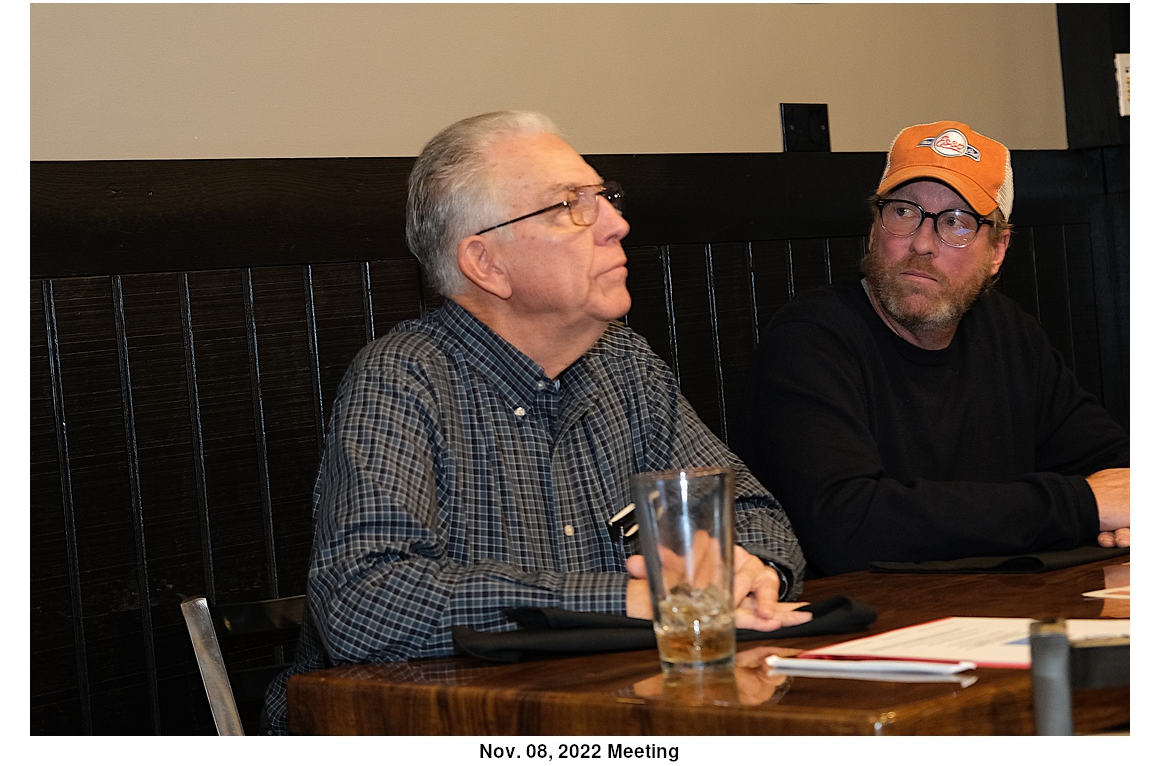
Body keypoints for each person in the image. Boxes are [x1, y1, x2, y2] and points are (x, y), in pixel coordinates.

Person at [263, 111, 808, 733]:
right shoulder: (404, 377)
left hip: (612, 712)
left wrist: (747, 572)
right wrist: (631, 600)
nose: (617, 225)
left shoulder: (624, 364)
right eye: (571, 206)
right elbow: (366, 603)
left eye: (604, 198)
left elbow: (755, 518)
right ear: (487, 264)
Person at [734, 120, 1129, 577]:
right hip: (865, 614)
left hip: (997, 603)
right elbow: (846, 526)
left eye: (956, 222)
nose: (922, 243)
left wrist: (1120, 510)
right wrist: (1083, 505)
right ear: (874, 229)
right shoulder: (810, 340)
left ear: (997, 251)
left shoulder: (1007, 331)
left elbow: (1119, 471)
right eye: (903, 212)